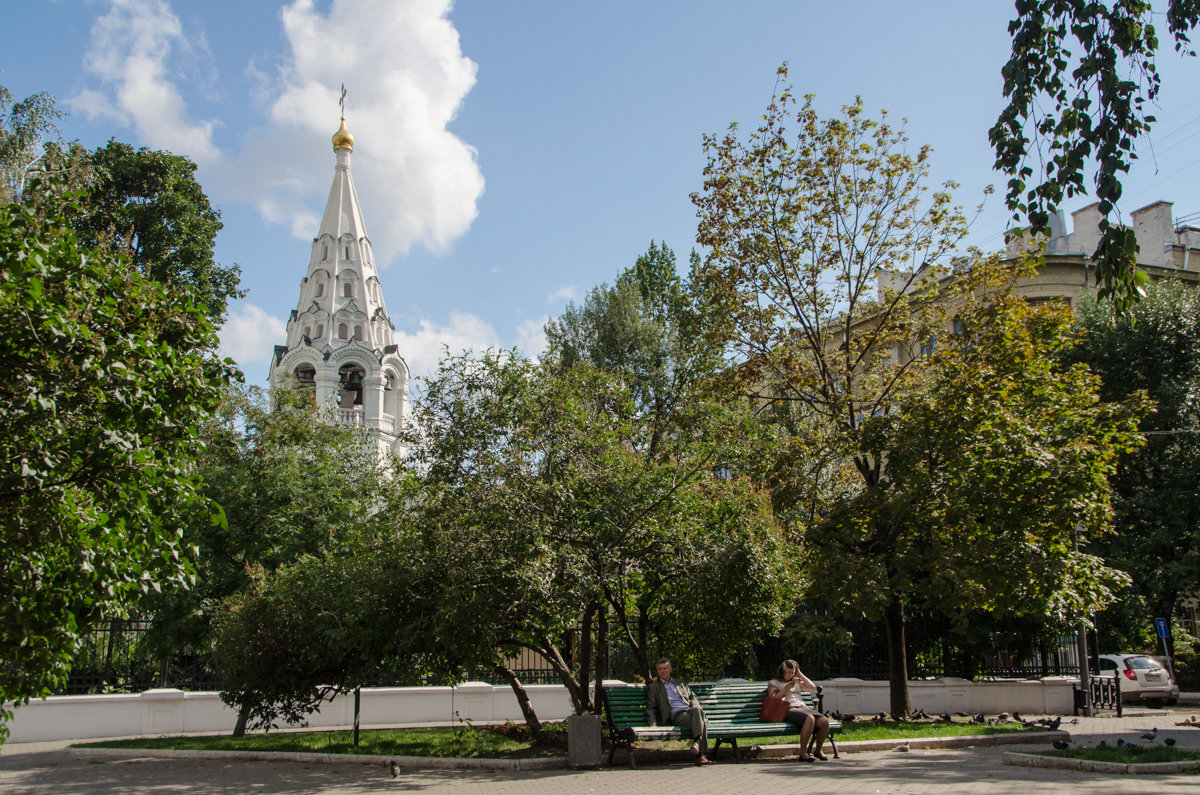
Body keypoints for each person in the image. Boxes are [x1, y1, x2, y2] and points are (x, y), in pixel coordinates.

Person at [645, 657, 710, 765]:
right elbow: (650, 707)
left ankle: (697, 744)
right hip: (676, 715)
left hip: (690, 712)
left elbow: (693, 697)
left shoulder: (681, 683)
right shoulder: (654, 687)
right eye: (660, 669)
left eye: (665, 668)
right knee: (701, 718)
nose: (662, 671)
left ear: (670, 669)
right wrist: (653, 725)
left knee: (697, 711)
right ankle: (700, 755)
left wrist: (694, 705)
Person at [768, 658, 830, 762]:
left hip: (802, 707)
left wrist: (799, 673)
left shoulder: (795, 682)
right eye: (788, 672)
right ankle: (803, 752)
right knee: (810, 719)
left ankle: (818, 750)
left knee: (824, 721)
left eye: (792, 673)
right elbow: (772, 700)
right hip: (788, 709)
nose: (790, 675)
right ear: (782, 671)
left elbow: (811, 686)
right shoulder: (774, 682)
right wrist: (785, 689)